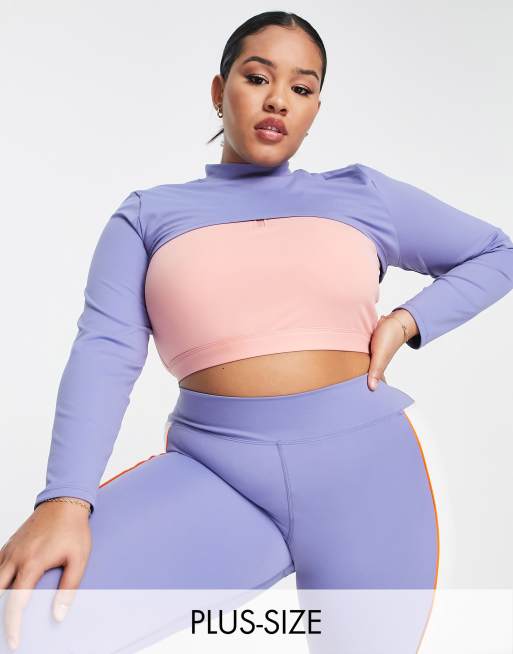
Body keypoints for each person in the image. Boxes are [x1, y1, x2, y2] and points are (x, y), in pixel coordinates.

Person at [1, 10, 513, 654]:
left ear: (315, 108)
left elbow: (497, 253)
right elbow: (104, 354)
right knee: (23, 620)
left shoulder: (361, 194)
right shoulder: (148, 216)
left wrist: (410, 320)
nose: (278, 100)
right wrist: (65, 501)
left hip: (373, 475)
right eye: (257, 77)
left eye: (302, 87)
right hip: (219, 473)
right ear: (220, 91)